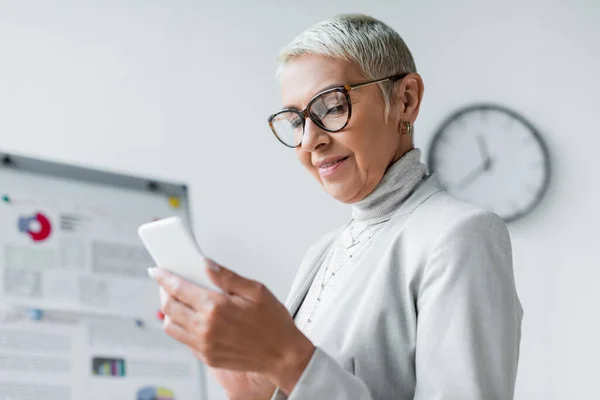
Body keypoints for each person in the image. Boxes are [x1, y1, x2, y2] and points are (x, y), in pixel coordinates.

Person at [148, 13, 523, 400]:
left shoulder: (460, 235)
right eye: (295, 121)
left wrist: (287, 359)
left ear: (406, 100)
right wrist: (247, 383)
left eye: (330, 106)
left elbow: (302, 369)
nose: (310, 140)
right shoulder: (323, 252)